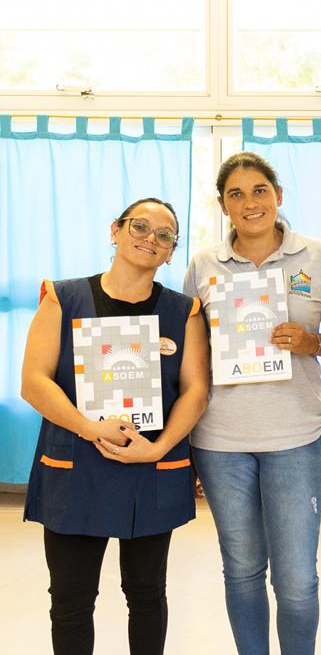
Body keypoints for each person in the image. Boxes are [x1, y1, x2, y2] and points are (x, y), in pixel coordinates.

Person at [21, 198, 209, 655]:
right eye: (139, 226)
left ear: (171, 252)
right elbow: (34, 382)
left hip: (150, 467)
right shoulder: (63, 298)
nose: (150, 239)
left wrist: (157, 448)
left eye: (165, 235)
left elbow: (196, 391)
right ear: (115, 230)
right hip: (75, 465)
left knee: (147, 596)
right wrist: (89, 427)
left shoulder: (183, 311)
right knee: (71, 601)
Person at [183, 152, 321, 655]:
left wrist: (311, 342)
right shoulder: (203, 265)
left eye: (259, 190)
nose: (250, 202)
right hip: (219, 441)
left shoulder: (317, 257)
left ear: (278, 196)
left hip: (293, 437)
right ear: (222, 206)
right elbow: (191, 352)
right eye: (236, 194)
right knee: (242, 571)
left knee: (296, 581)